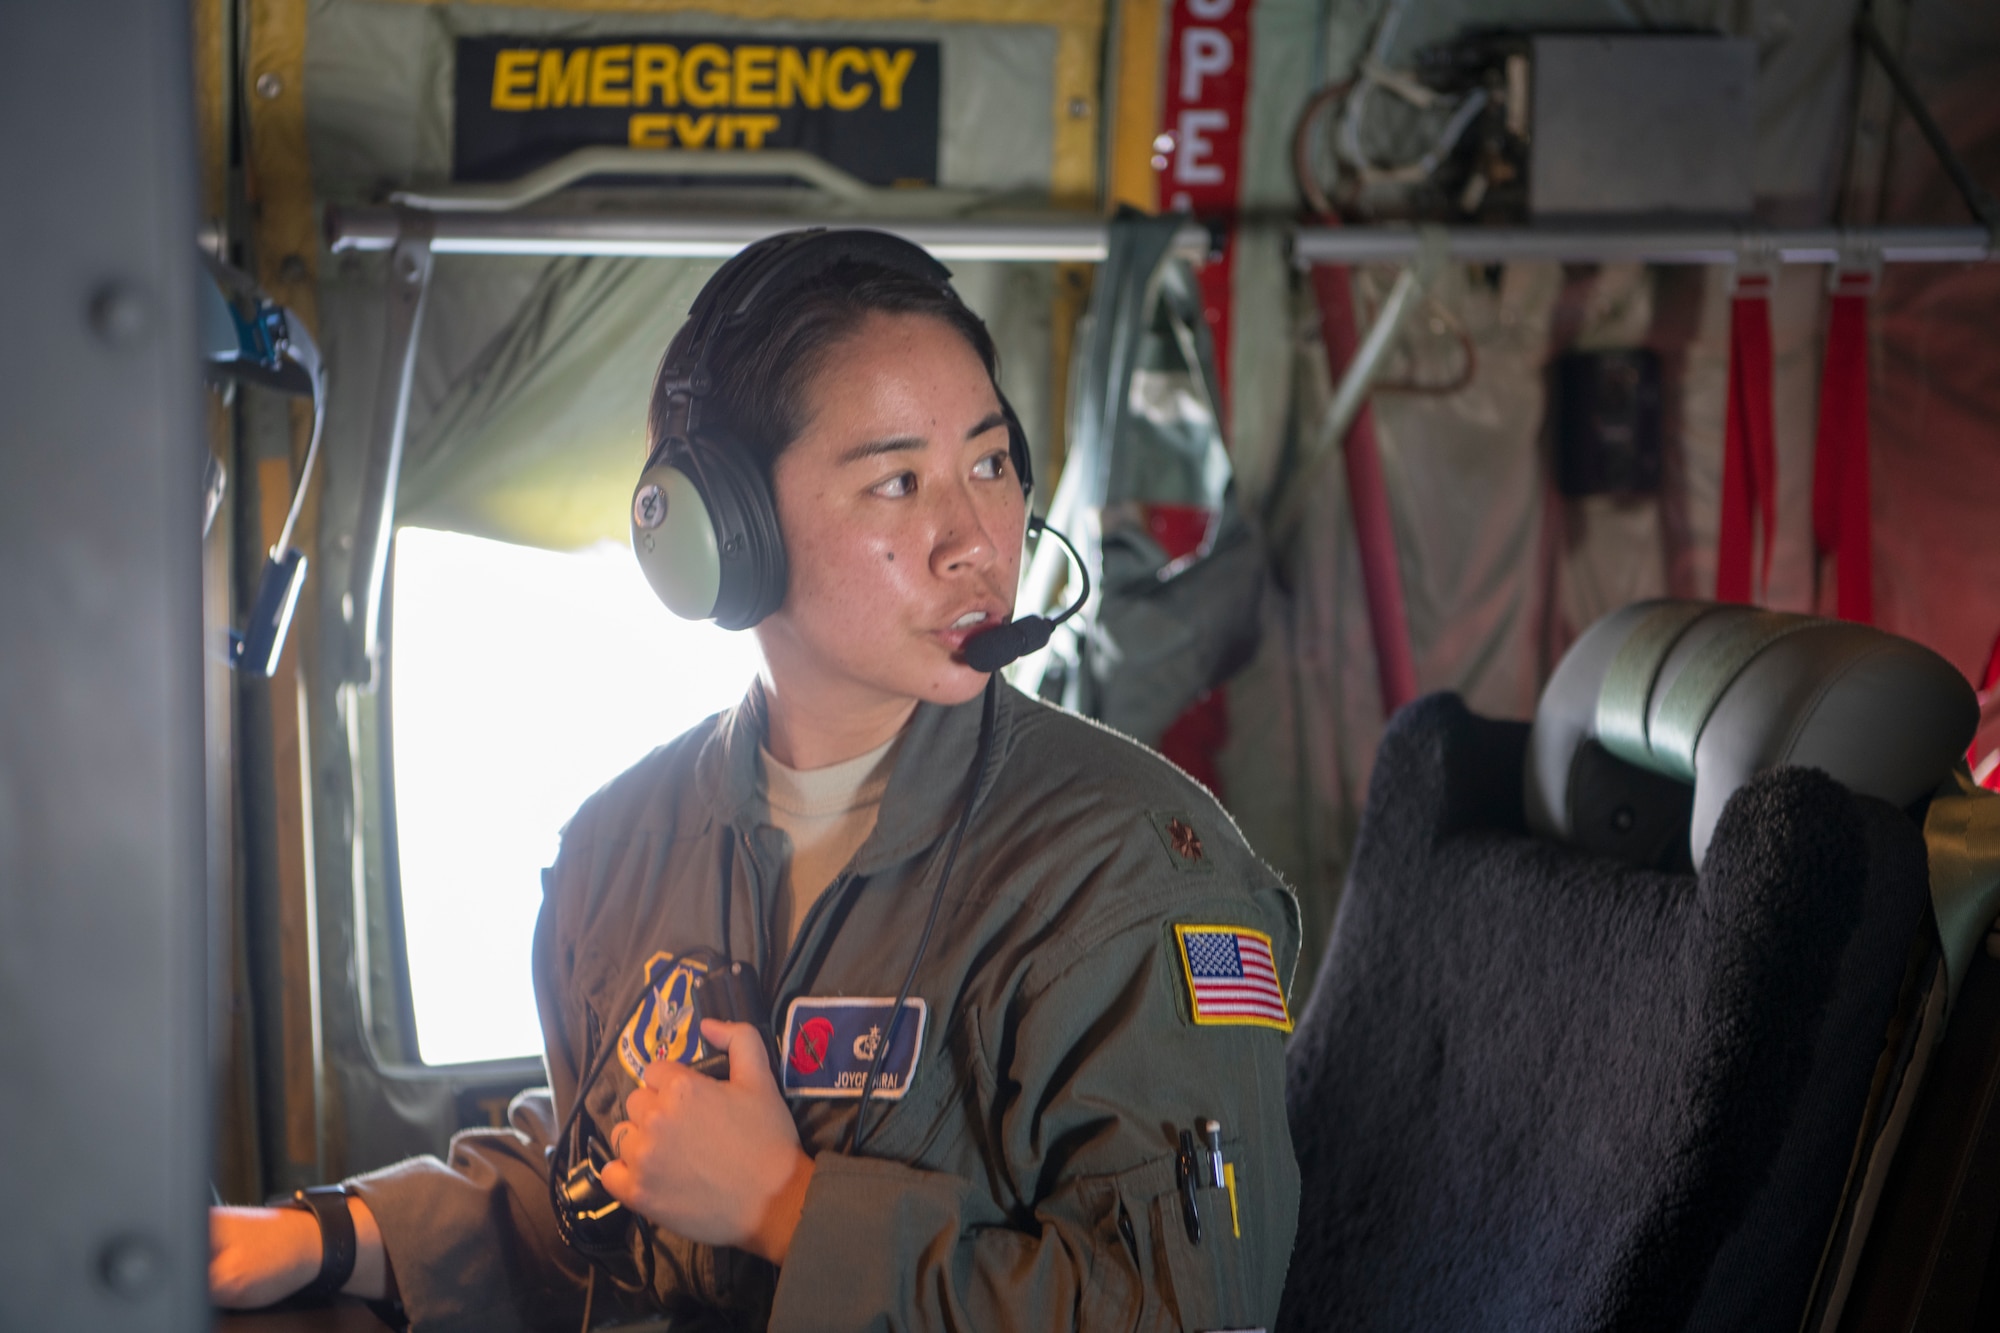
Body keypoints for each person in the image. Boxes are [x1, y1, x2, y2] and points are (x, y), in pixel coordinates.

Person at [210, 229, 1302, 1331]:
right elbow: (613, 1184)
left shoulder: (1131, 874)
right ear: (722, 535)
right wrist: (329, 1235)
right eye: (896, 481)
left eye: (988, 462)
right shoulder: (619, 844)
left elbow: (1187, 1312)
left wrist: (788, 1208)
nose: (974, 538)